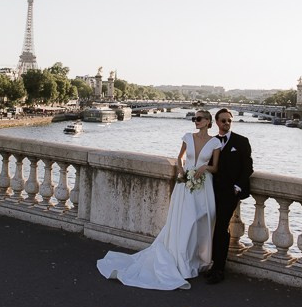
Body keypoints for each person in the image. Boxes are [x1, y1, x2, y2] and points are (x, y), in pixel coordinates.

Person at [96, 109, 220, 290]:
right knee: (184, 221)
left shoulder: (215, 142)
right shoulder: (187, 136)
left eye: (199, 119)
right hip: (185, 184)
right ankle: (181, 260)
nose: (195, 121)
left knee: (200, 220)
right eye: (194, 118)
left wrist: (205, 168)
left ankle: (194, 259)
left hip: (204, 185)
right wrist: (181, 171)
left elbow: (215, 167)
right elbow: (180, 157)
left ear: (208, 121)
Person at [205, 108, 253, 285]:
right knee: (211, 227)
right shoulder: (212, 142)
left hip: (230, 192)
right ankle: (212, 264)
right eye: (223, 120)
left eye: (229, 121)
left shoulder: (241, 141)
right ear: (216, 122)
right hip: (212, 191)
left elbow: (248, 168)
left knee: (221, 227)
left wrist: (238, 186)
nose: (226, 123)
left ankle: (219, 269)